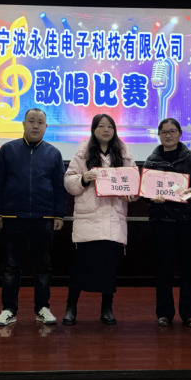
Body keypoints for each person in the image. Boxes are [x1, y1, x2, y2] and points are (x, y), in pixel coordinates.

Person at [0, 108, 67, 327]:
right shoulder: (8, 150)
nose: (35, 125)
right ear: (23, 124)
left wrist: (59, 214)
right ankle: (8, 310)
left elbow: (59, 187)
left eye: (40, 122)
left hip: (44, 217)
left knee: (43, 266)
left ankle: (42, 308)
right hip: (13, 216)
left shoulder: (53, 153)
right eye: (31, 121)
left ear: (46, 127)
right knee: (11, 266)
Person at [63, 114, 138, 326]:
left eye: (110, 126)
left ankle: (107, 308)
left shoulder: (124, 154)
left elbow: (134, 184)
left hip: (113, 219)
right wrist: (83, 178)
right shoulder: (83, 153)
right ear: (93, 129)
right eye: (101, 126)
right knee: (80, 268)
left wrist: (132, 194)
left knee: (109, 268)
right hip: (89, 220)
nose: (106, 130)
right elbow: (69, 182)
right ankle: (71, 308)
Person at [144, 118, 191, 328]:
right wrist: (151, 197)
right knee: (163, 269)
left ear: (180, 133)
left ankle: (189, 314)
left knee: (188, 269)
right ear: (158, 135)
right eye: (164, 132)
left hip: (188, 220)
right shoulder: (152, 161)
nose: (168, 135)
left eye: (172, 131)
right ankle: (164, 313)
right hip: (161, 221)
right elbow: (145, 190)